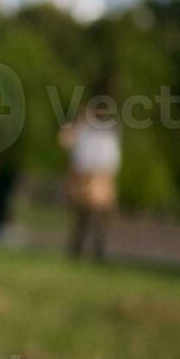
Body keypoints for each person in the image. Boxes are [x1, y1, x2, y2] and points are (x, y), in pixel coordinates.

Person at [60, 98, 121, 262]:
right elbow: (65, 141)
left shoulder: (106, 134)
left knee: (98, 219)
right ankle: (77, 251)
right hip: (85, 178)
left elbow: (109, 160)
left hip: (98, 178)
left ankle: (97, 252)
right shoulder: (84, 131)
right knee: (82, 218)